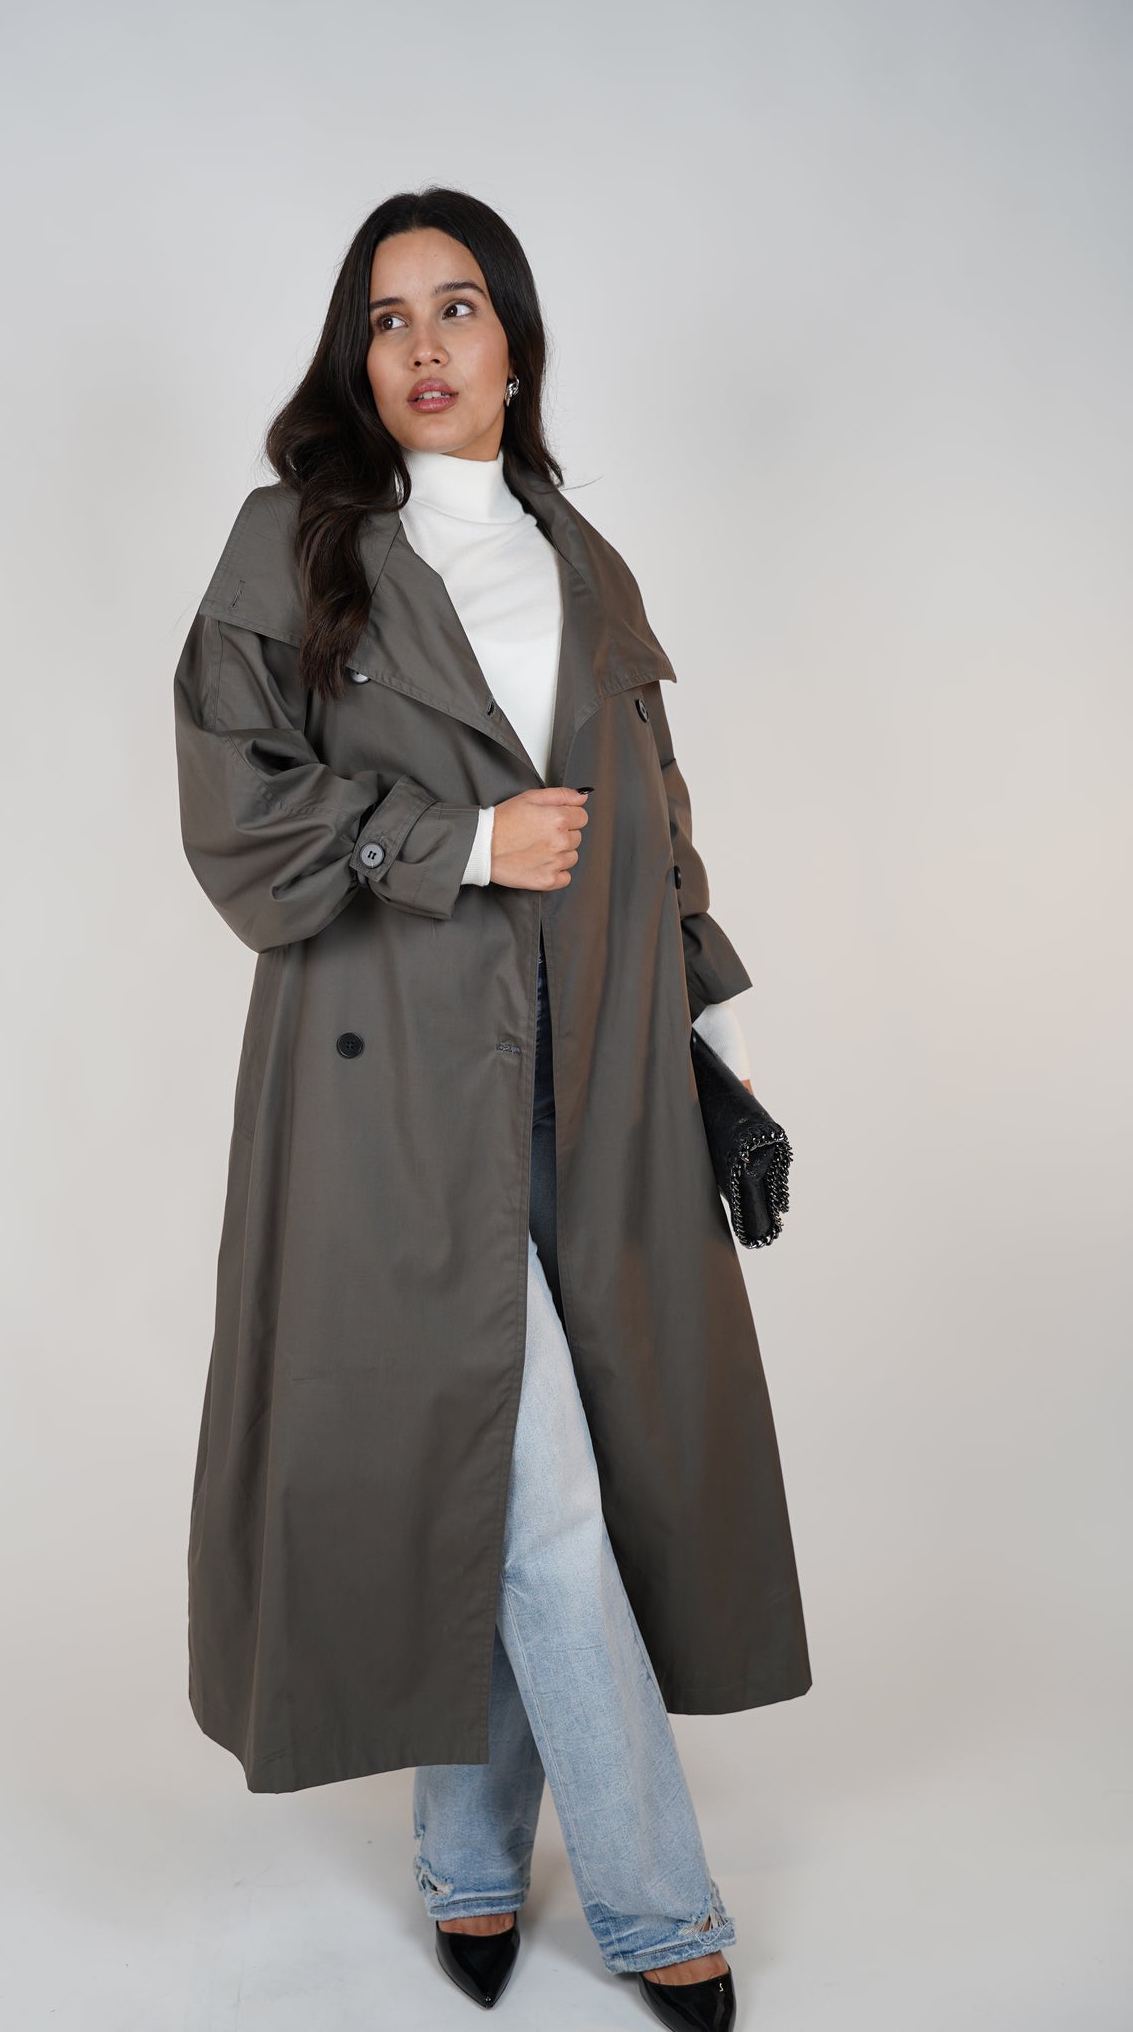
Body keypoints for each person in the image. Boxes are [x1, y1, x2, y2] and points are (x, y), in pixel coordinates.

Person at [172, 188, 810, 2031]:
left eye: (458, 308)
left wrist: (708, 1052)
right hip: (386, 1098)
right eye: (388, 320)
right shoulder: (296, 544)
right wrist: (454, 843)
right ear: (356, 359)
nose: (425, 347)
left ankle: (466, 1871)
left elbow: (657, 825)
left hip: (595, 1083)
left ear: (515, 345)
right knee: (540, 1500)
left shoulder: (582, 562)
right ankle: (661, 1906)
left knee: (518, 1477)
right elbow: (234, 805)